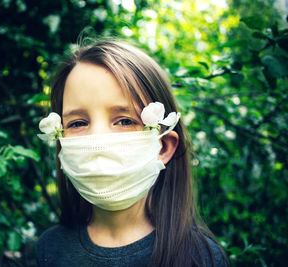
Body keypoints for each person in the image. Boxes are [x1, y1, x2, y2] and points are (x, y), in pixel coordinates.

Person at [35, 40, 228, 267]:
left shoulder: (201, 258)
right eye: (78, 123)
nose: (99, 139)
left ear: (163, 146)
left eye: (125, 120)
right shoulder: (50, 248)